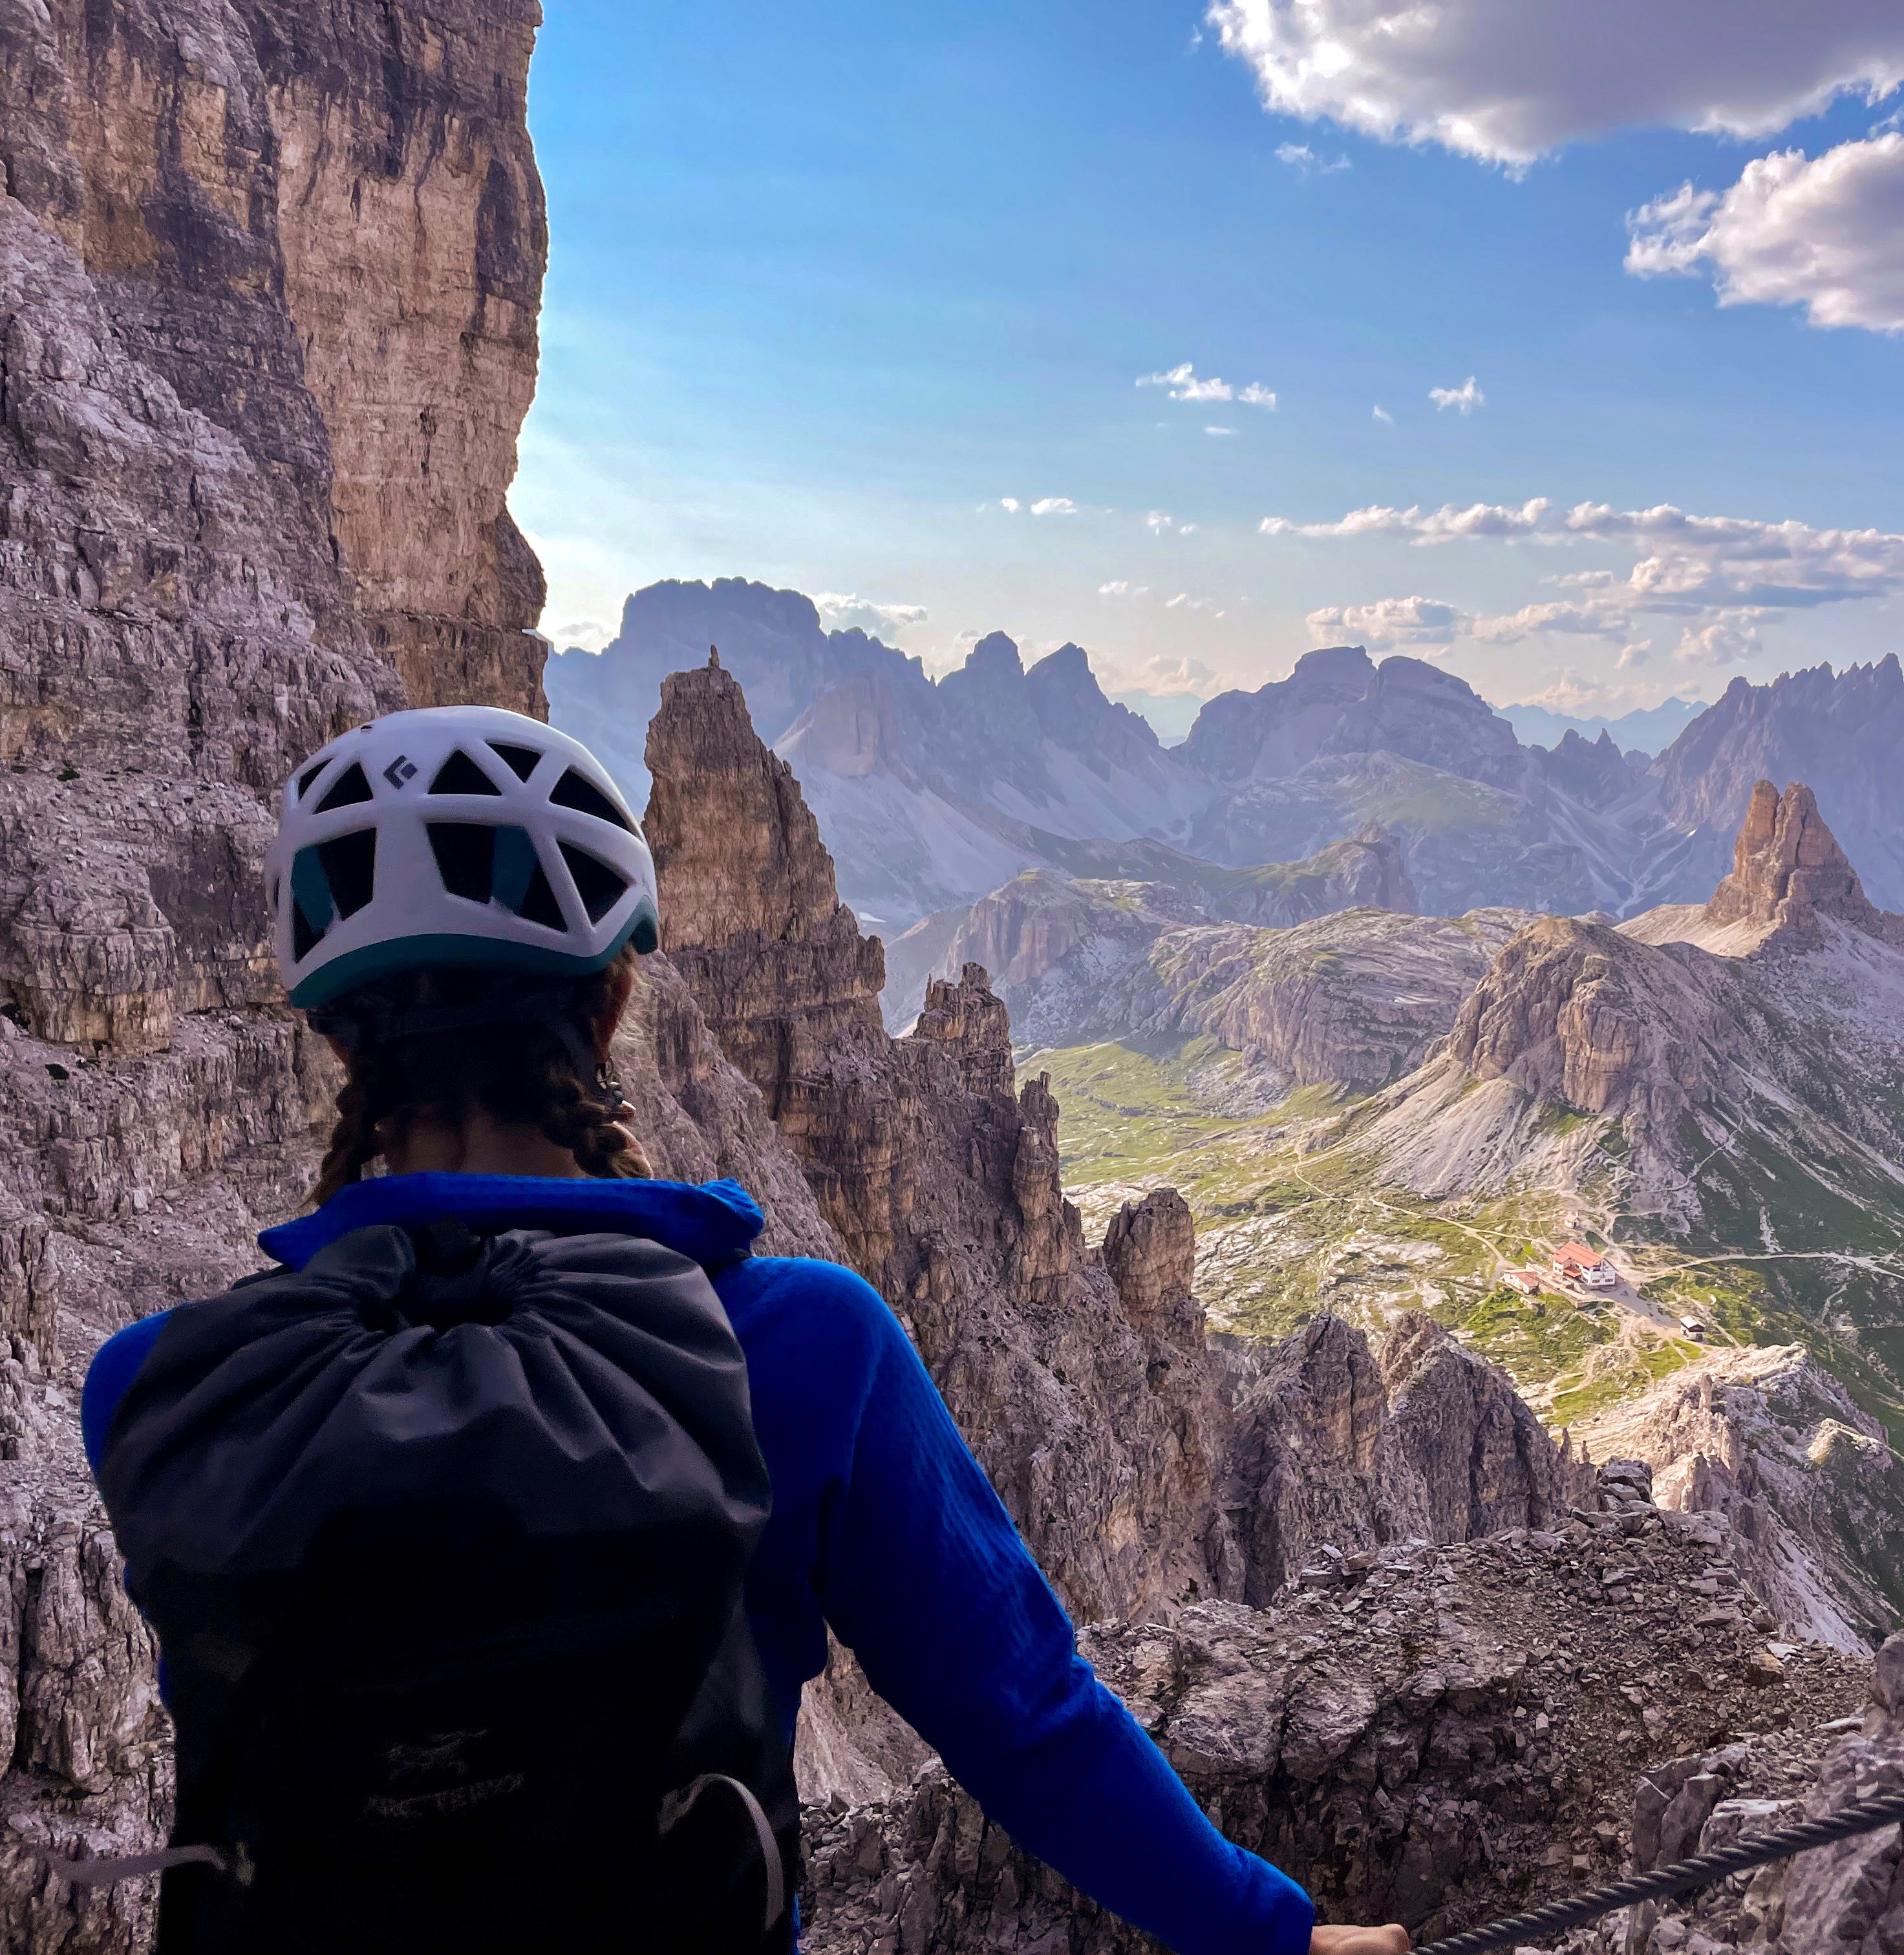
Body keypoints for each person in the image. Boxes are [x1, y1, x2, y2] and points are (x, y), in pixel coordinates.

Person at [80, 706, 1411, 1955]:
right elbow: (1027, 1720)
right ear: (610, 1007)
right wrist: (1270, 1934)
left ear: (331, 1041)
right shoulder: (797, 1347)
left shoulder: (157, 1394)